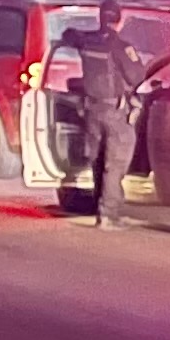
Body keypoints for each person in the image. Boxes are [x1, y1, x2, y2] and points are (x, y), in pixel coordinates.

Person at [64, 14, 149, 226]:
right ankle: (109, 215)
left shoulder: (87, 41)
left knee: (98, 160)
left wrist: (85, 33)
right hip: (114, 112)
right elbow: (138, 76)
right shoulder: (120, 47)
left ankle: (99, 208)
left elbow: (67, 35)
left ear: (100, 18)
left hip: (92, 109)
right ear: (118, 21)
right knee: (116, 163)